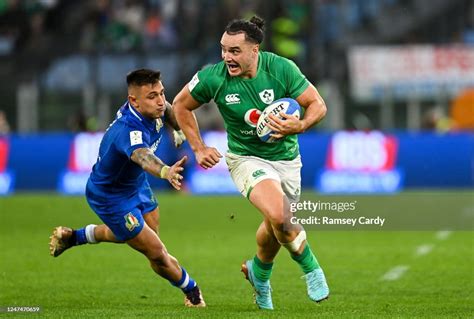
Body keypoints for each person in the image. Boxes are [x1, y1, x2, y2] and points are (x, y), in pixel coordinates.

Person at [173, 16, 329, 310]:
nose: (226, 57)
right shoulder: (214, 78)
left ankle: (259, 272)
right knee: (281, 215)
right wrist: (199, 147)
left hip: (287, 160)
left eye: (234, 51)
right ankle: (312, 269)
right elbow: (180, 105)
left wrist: (301, 125)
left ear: (254, 50)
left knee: (276, 225)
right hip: (245, 158)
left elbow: (317, 104)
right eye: (223, 49)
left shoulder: (281, 68)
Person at [49, 69, 205, 308]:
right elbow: (142, 156)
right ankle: (192, 291)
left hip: (134, 183)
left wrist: (179, 129)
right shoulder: (128, 129)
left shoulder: (154, 109)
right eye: (153, 96)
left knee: (145, 233)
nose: (161, 101)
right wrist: (166, 171)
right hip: (110, 196)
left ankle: (75, 237)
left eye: (161, 93)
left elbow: (171, 109)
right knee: (155, 251)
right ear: (134, 100)